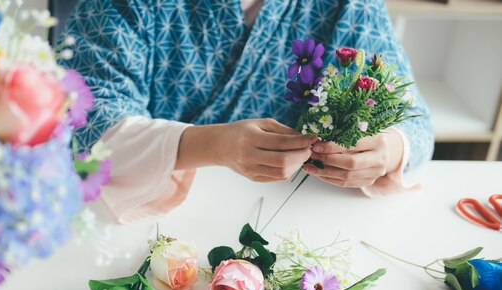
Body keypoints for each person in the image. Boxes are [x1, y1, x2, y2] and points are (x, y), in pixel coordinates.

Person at [61, 0, 434, 223]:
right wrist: (212, 145)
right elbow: (83, 122)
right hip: (147, 216)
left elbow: (414, 121)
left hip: (294, 219)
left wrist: (389, 149)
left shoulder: (349, 6)